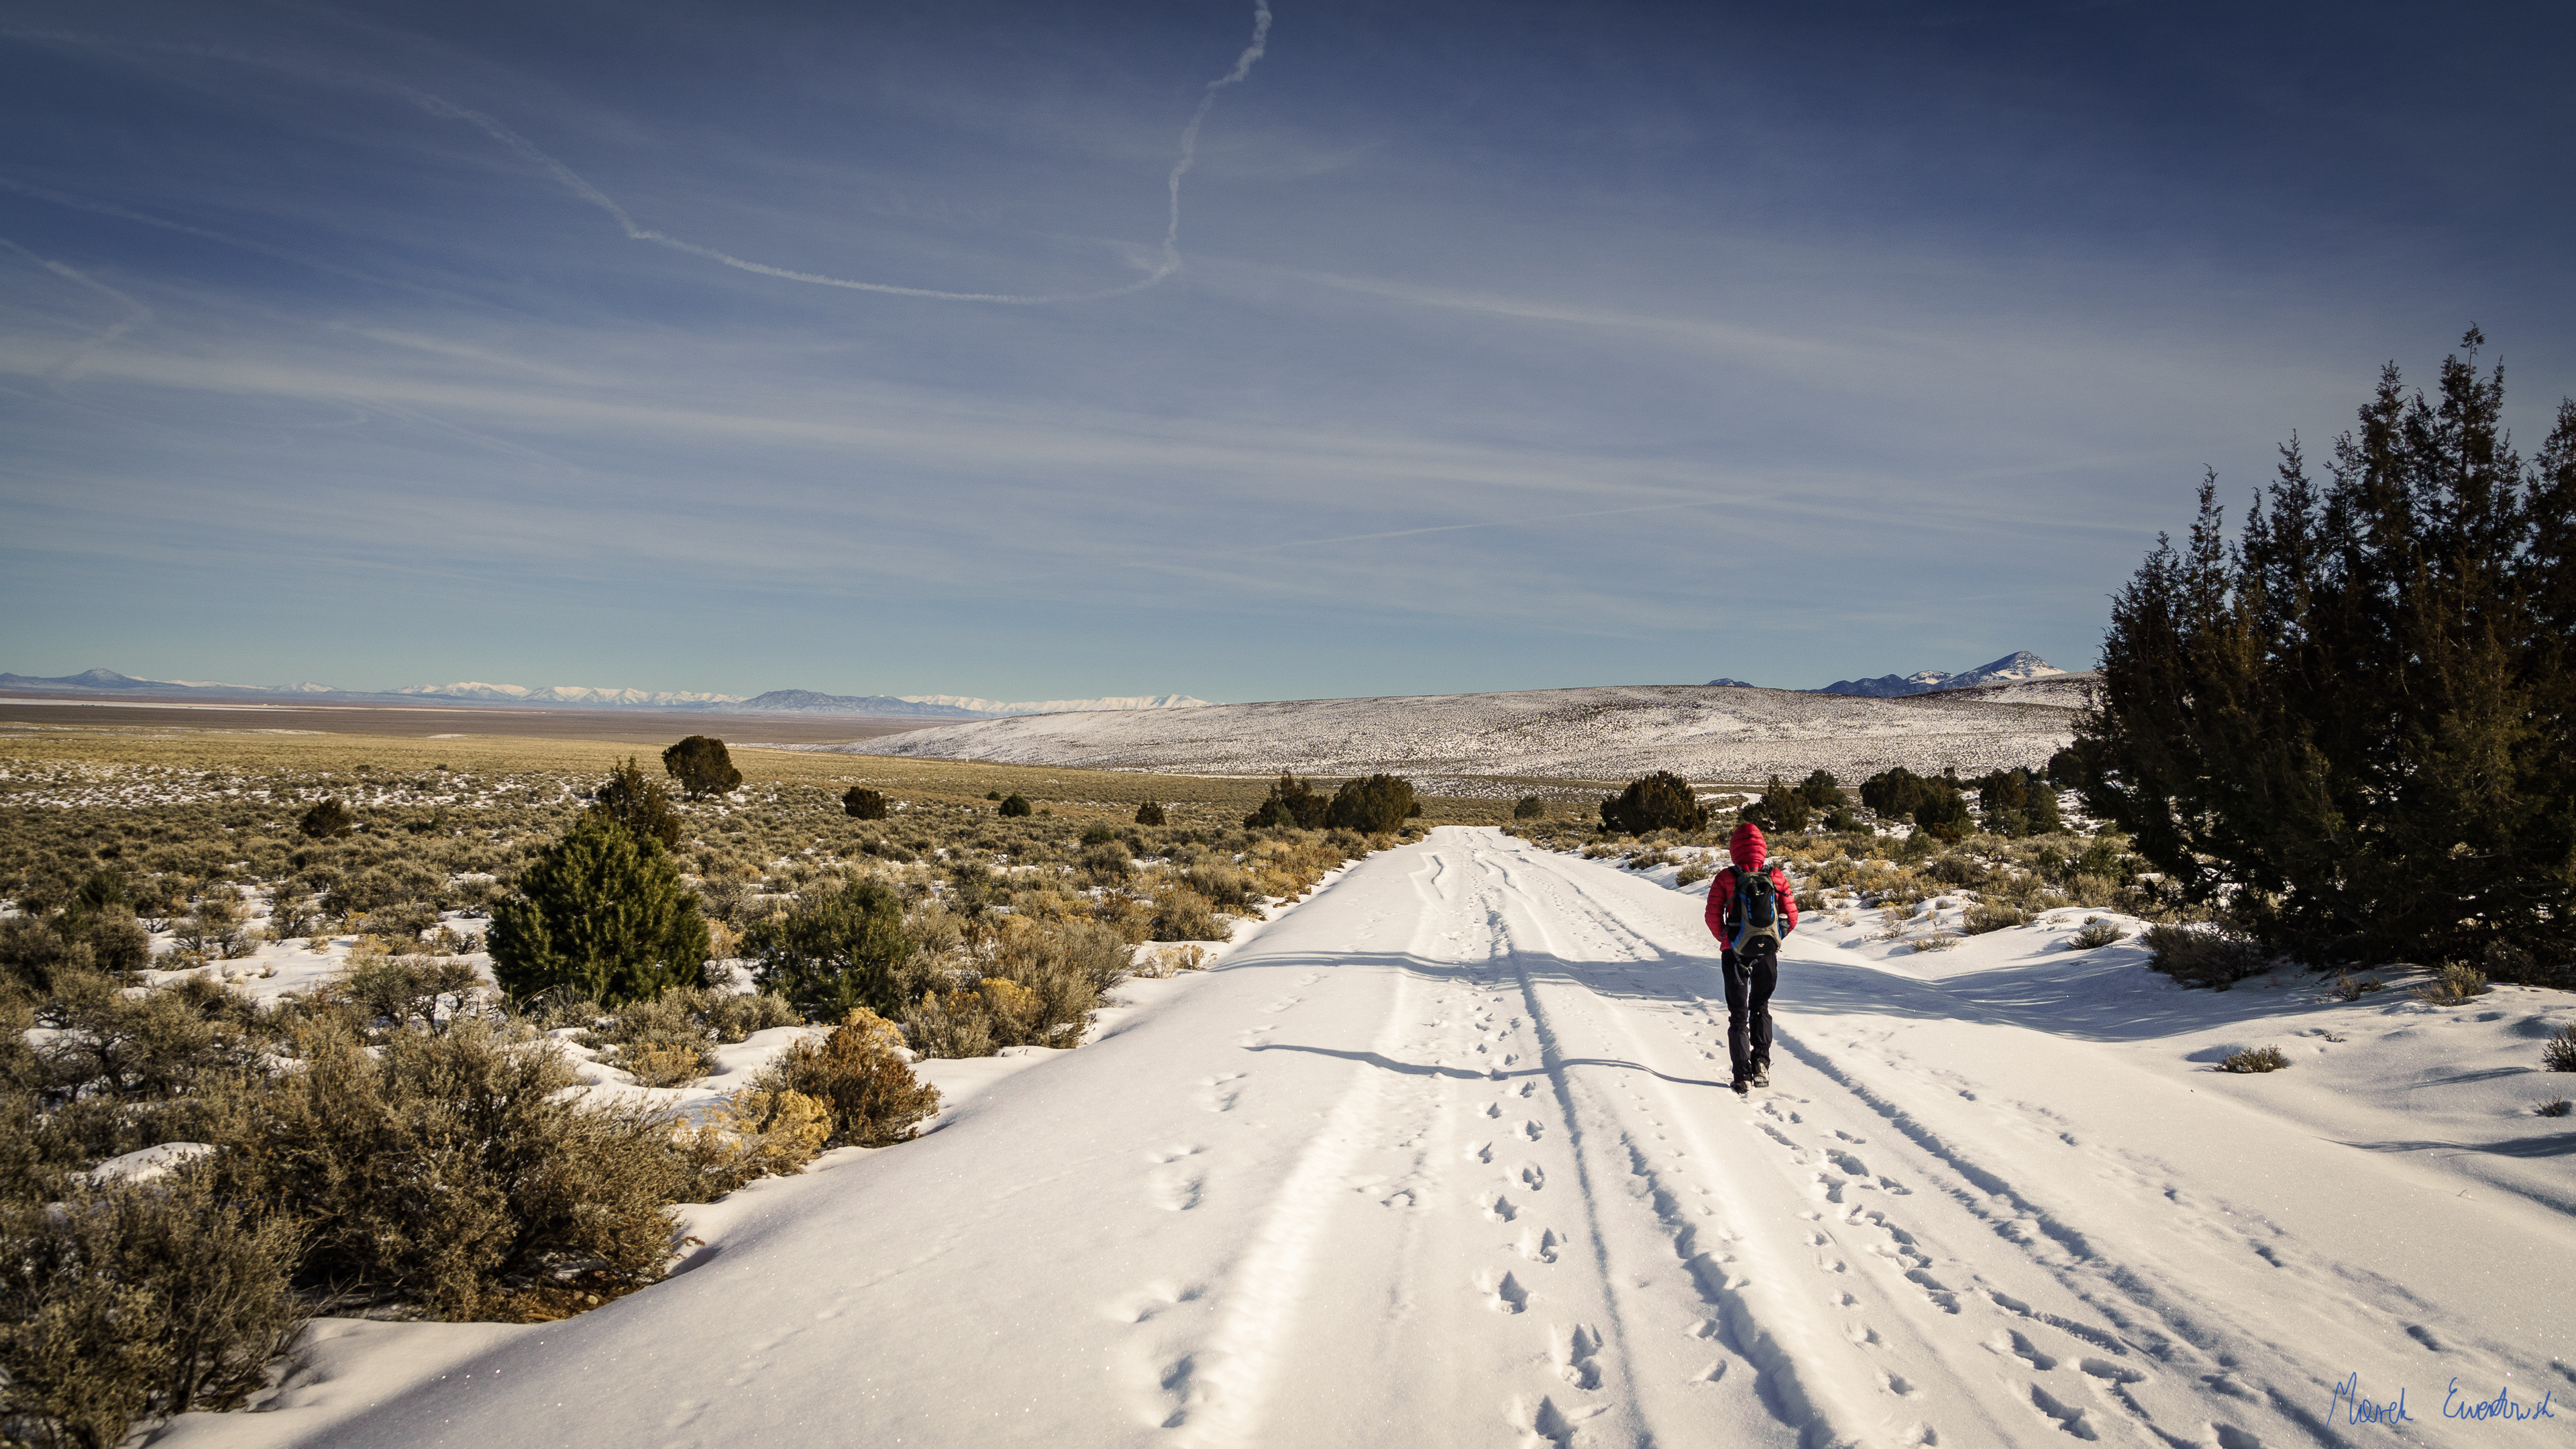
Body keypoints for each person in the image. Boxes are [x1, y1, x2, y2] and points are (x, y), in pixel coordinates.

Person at [1703, 820, 1797, 1094]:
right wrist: (1774, 939)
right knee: (1761, 1006)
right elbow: (1791, 916)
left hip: (1734, 953)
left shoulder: (1725, 877)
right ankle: (1761, 1065)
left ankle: (1741, 1075)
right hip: (1767, 954)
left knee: (1738, 1015)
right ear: (1762, 849)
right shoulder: (1776, 876)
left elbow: (1712, 916)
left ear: (1734, 850)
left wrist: (1727, 940)